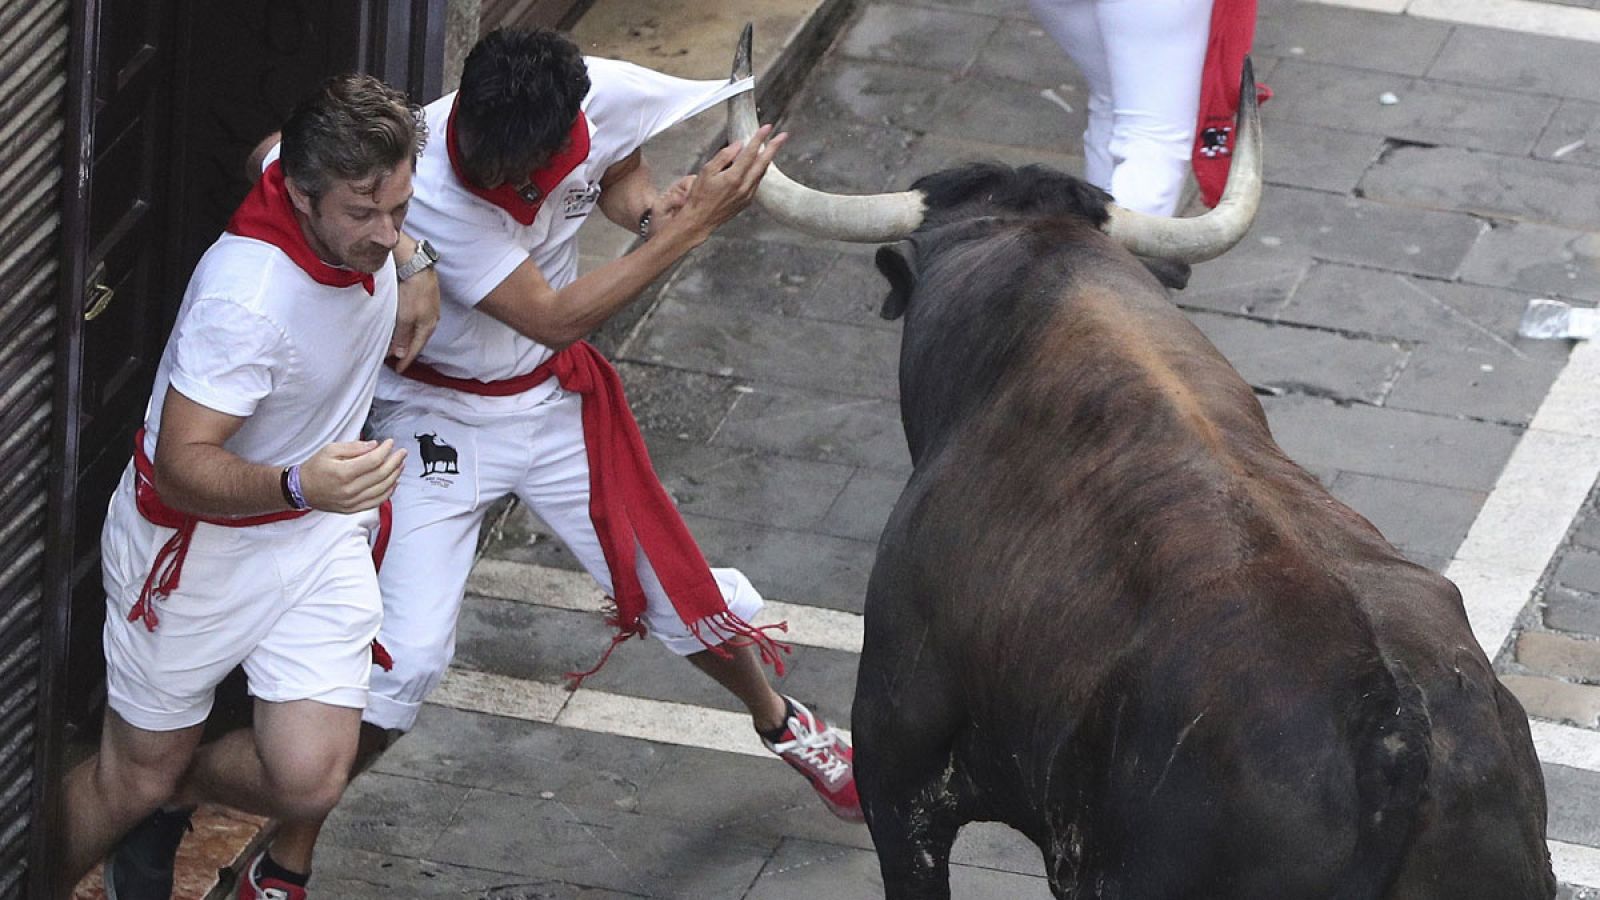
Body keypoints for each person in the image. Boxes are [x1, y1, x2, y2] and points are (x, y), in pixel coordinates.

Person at [56, 73, 439, 900]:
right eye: (363, 214)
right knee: (130, 778)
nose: (386, 232)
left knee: (308, 780)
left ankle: (172, 795)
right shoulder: (246, 303)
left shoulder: (319, 184)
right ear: (300, 198)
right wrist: (300, 483)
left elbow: (266, 144)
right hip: (198, 555)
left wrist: (417, 260)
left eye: (401, 208)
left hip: (312, 531)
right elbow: (182, 465)